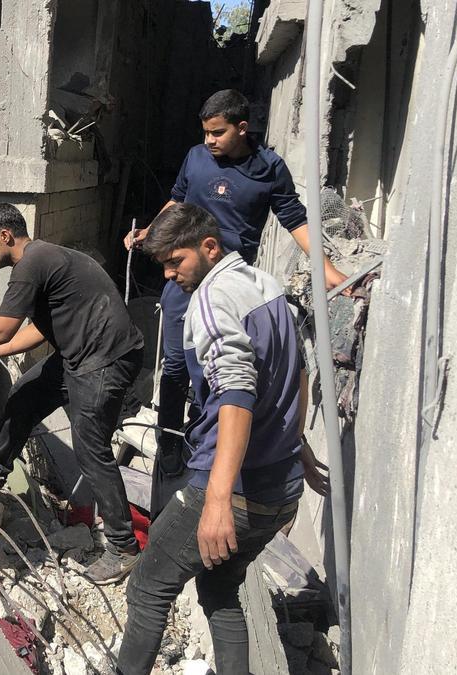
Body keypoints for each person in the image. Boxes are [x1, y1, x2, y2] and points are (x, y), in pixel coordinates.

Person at [117, 203, 329, 675]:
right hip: (281, 489)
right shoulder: (266, 286)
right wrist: (297, 445)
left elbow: (236, 393)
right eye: (164, 265)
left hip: (234, 491)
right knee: (219, 588)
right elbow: (295, 373)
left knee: (147, 587)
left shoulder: (212, 300)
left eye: (176, 261)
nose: (169, 274)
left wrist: (216, 501)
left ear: (209, 247)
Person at [124, 89, 349, 516]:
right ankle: (170, 440)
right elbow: (177, 201)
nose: (209, 140)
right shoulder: (196, 158)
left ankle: (212, 446)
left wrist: (328, 270)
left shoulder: (269, 169)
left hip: (229, 283)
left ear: (242, 128)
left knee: (220, 371)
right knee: (176, 365)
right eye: (205, 133)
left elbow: (294, 219)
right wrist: (151, 233)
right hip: (185, 283)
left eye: (217, 133)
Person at [0, 203, 145, 584]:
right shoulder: (42, 261)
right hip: (78, 355)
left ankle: (123, 548)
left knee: (90, 449)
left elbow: (2, 328)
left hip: (104, 359)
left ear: (5, 236)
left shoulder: (31, 264)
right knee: (24, 397)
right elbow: (37, 330)